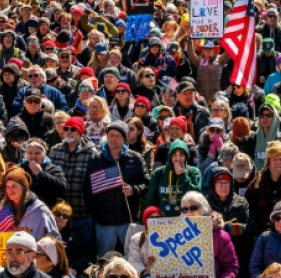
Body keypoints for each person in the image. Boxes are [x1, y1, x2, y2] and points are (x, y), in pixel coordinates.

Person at [83, 120, 148, 256]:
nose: (114, 139)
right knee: (104, 260)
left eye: (118, 136)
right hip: (104, 223)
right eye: (111, 135)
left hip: (128, 220)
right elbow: (87, 188)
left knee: (133, 257)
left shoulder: (135, 158)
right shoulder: (96, 159)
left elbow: (146, 183)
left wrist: (133, 189)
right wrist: (95, 212)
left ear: (124, 138)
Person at [46, 116, 97, 271]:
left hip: (82, 213)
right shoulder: (55, 150)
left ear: (80, 132)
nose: (68, 131)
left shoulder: (92, 153)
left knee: (84, 253)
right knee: (57, 251)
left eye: (73, 129)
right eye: (66, 128)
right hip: (59, 215)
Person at [0, 167, 59, 240]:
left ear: (24, 188)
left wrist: (40, 246)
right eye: (7, 187)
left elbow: (55, 240)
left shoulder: (40, 211)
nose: (10, 190)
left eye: (14, 186)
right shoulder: (4, 209)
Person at [180, 191, 238, 278]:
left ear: (204, 209)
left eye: (193, 208)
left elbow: (231, 267)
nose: (188, 212)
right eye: (184, 209)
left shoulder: (220, 236)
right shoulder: (174, 235)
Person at [145, 139, 201, 216]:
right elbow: (151, 200)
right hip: (163, 219)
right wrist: (155, 214)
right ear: (169, 157)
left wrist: (182, 176)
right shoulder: (159, 173)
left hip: (187, 219)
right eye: (174, 155)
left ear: (186, 156)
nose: (178, 159)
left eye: (181, 155)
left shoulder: (193, 172)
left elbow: (196, 196)